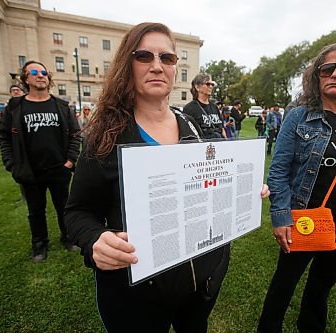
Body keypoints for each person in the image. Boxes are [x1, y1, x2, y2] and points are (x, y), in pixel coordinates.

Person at [63, 22, 268, 333]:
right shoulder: (106, 135)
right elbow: (77, 212)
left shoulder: (191, 125)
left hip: (200, 283)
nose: (157, 66)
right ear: (127, 65)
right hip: (136, 291)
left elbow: (204, 186)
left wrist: (243, 189)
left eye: (167, 58)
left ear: (174, 68)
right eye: (144, 56)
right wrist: (94, 241)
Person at [258, 40, 336, 333]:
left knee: (321, 287)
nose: (335, 75)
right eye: (327, 69)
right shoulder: (300, 116)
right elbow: (278, 171)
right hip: (306, 220)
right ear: (317, 75)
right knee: (284, 285)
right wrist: (281, 218)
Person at [0, 60, 81, 262]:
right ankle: (39, 245)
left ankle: (68, 237)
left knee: (64, 207)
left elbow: (76, 134)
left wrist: (70, 160)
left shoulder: (60, 105)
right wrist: (12, 164)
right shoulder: (15, 107)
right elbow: (4, 138)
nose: (40, 75)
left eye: (44, 72)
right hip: (30, 171)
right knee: (35, 211)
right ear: (26, 78)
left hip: (59, 169)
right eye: (34, 72)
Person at [183, 73, 225, 139]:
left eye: (212, 84)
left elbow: (222, 129)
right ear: (197, 87)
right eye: (208, 84)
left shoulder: (215, 107)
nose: (211, 86)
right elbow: (187, 135)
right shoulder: (189, 109)